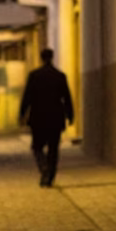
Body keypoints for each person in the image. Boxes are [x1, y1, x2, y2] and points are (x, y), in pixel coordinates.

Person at [19, 48, 74, 187]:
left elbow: (27, 97)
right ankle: (50, 176)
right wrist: (70, 115)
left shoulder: (34, 75)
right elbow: (66, 98)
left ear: (41, 58)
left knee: (37, 147)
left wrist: (22, 114)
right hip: (55, 117)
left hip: (38, 117)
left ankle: (43, 167)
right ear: (52, 57)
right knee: (53, 149)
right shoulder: (60, 76)